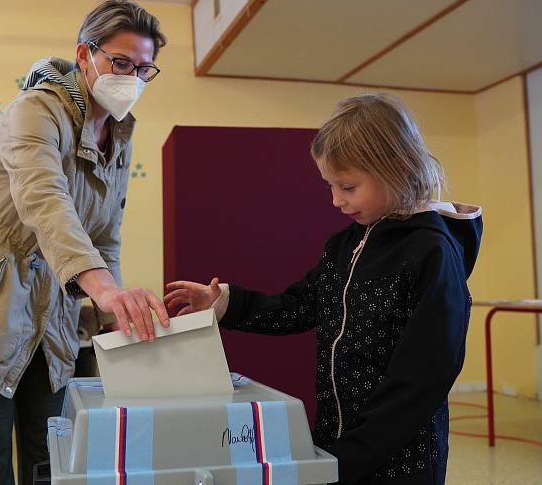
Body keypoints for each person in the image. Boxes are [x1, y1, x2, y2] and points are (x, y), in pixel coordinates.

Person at [164, 94, 482, 485]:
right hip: (337, 440)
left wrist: (351, 456)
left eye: (347, 186)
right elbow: (298, 307)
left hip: (401, 457)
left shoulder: (432, 252)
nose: (335, 200)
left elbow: (423, 378)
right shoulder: (344, 246)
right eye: (331, 186)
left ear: (398, 168)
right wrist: (226, 303)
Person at [0, 0, 170, 485]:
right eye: (121, 63)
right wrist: (102, 288)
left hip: (56, 318)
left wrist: (113, 317)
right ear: (84, 55)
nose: (132, 78)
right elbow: (45, 203)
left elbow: (105, 238)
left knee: (52, 461)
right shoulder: (35, 111)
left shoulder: (118, 135)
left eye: (144, 69)